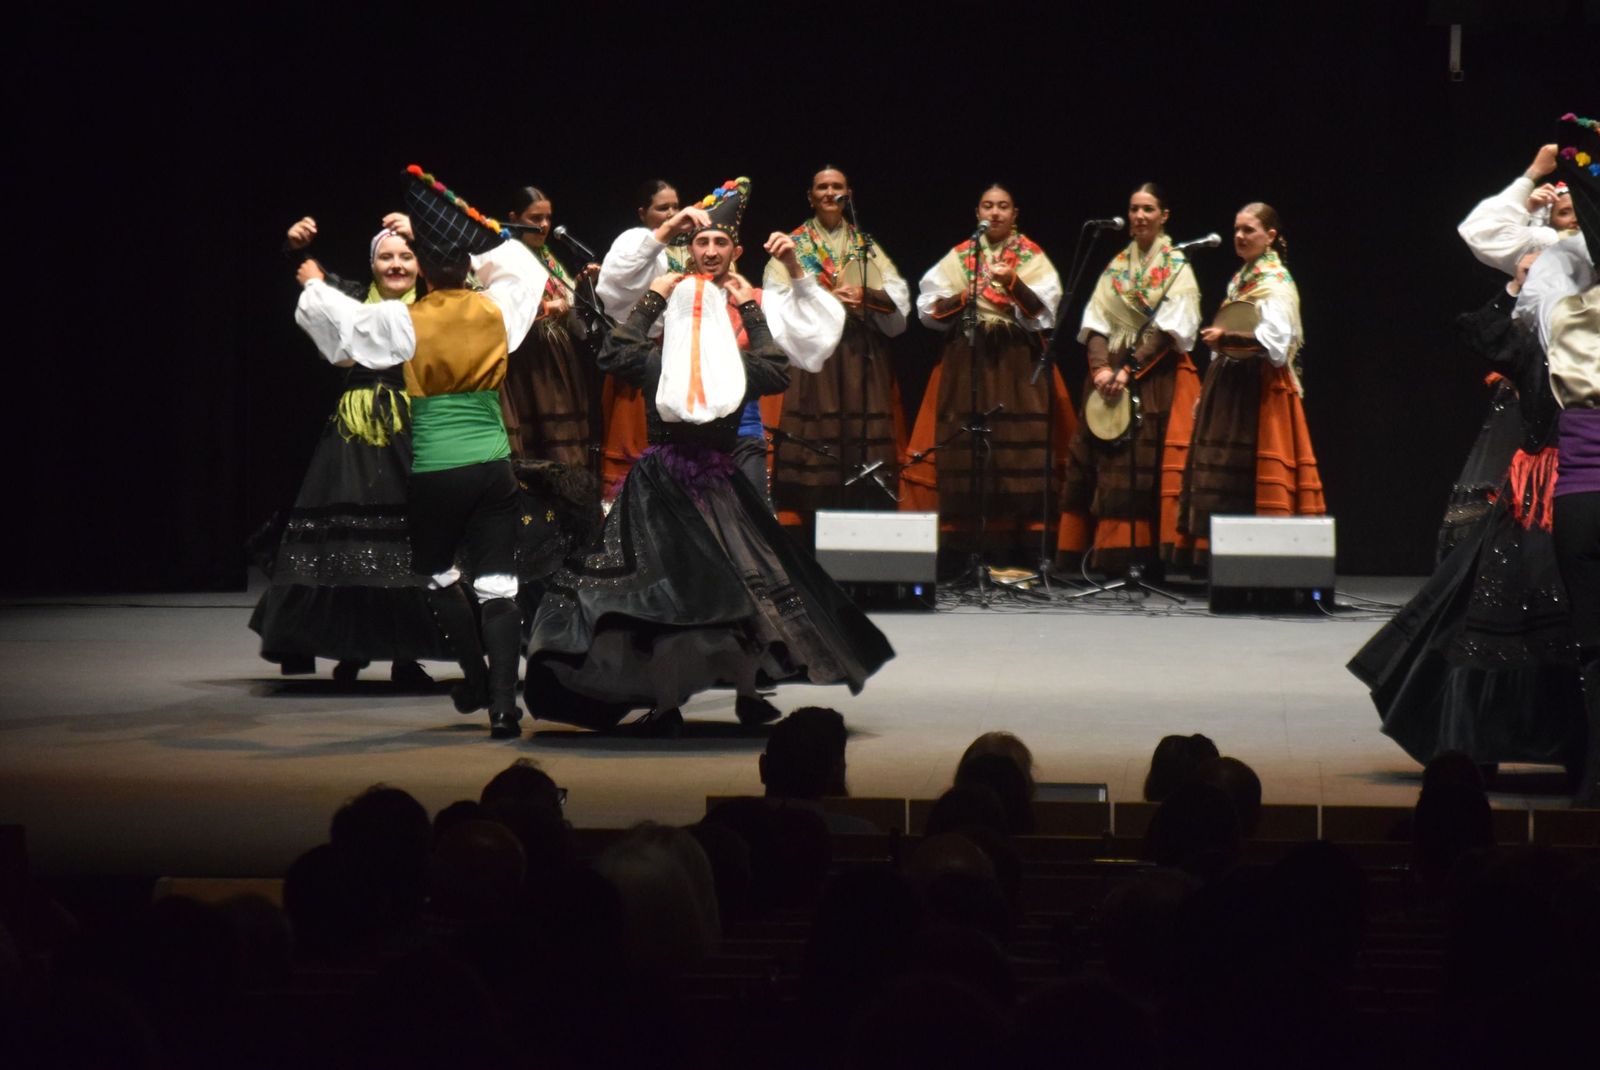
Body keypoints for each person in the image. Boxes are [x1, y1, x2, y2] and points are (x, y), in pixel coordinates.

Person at [524, 178, 888, 735]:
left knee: (733, 584)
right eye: (702, 243)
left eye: (720, 243)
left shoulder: (717, 329)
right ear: (691, 250)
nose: (711, 252)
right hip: (675, 481)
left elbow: (622, 351)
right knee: (682, 595)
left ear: (734, 251)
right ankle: (694, 700)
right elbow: (631, 350)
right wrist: (664, 295)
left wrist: (738, 302)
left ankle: (729, 695)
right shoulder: (681, 325)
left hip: (716, 467)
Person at [293, 165, 547, 738]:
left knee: (436, 573)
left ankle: (477, 679)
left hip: (436, 468)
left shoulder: (404, 318)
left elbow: (345, 330)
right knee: (500, 585)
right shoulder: (497, 310)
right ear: (468, 267)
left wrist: (312, 283)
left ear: (425, 271)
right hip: (492, 465)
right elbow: (523, 267)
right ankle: (504, 705)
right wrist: (474, 248)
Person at [251, 217, 449, 687]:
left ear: (421, 265)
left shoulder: (435, 302)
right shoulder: (353, 298)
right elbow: (307, 281)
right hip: (354, 435)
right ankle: (351, 648)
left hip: (413, 428)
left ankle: (405, 654)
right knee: (348, 542)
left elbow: (476, 275)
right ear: (372, 265)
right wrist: (291, 245)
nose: (396, 264)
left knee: (407, 541)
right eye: (387, 256)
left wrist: (422, 232)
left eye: (406, 256)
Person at [902, 184, 1075, 561]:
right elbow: (929, 309)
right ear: (977, 212)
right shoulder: (963, 256)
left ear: (1015, 214)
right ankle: (966, 550)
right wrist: (966, 296)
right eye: (987, 206)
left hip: (1016, 359)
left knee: (1017, 448)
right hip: (968, 358)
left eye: (1003, 207)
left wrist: (1011, 282)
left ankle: (1022, 550)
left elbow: (1044, 312)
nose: (994, 213)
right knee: (967, 443)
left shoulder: (1031, 255)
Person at [1058, 183, 1203, 575]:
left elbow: (1171, 328)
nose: (1139, 216)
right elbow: (1096, 321)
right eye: (1134, 209)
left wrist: (1129, 369)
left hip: (1155, 376)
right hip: (1109, 374)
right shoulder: (1117, 265)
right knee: (1098, 461)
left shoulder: (1177, 266)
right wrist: (1102, 367)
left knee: (1142, 461)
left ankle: (1140, 559)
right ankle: (1096, 556)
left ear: (1164, 216)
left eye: (1148, 209)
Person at [1176, 202, 1324, 565]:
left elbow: (1276, 343)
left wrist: (1228, 339)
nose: (1240, 237)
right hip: (1228, 386)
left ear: (1270, 236)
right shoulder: (1243, 278)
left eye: (1249, 230)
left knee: (1253, 475)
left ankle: (1261, 564)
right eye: (1237, 230)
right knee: (1223, 474)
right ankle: (1228, 563)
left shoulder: (1275, 282)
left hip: (1258, 389)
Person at [764, 167, 910, 522]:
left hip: (859, 353)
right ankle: (812, 523)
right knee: (818, 436)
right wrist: (819, 299)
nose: (830, 192)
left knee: (860, 436)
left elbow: (898, 296)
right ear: (810, 196)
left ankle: (861, 516)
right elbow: (773, 300)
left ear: (849, 194)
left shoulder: (865, 246)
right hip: (816, 357)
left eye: (837, 187)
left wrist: (864, 295)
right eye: (822, 187)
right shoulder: (794, 245)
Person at [1535, 112, 1600, 804]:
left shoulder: (1565, 313)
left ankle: (1590, 782)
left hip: (1580, 494)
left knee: (1591, 643)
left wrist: (1565, 176)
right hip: (1583, 488)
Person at [596, 180, 691, 495]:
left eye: (676, 206)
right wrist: (665, 232)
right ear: (642, 212)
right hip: (639, 358)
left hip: (679, 359)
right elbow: (613, 285)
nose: (672, 213)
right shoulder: (636, 241)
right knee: (636, 447)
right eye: (662, 207)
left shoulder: (689, 246)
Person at [499, 185, 598, 470]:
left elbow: (570, 308)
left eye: (548, 218)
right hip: (525, 359)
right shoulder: (503, 257)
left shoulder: (548, 258)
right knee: (539, 441)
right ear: (513, 217)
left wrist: (581, 286)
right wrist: (545, 309)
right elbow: (494, 311)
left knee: (566, 445)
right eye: (534, 218)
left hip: (557, 356)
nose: (543, 225)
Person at [1458, 142, 1580, 276]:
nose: (1577, 219)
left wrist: (1534, 172)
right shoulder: (1553, 249)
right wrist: (1526, 211)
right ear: (1550, 222)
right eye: (1564, 213)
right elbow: (1483, 232)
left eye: (1584, 210)